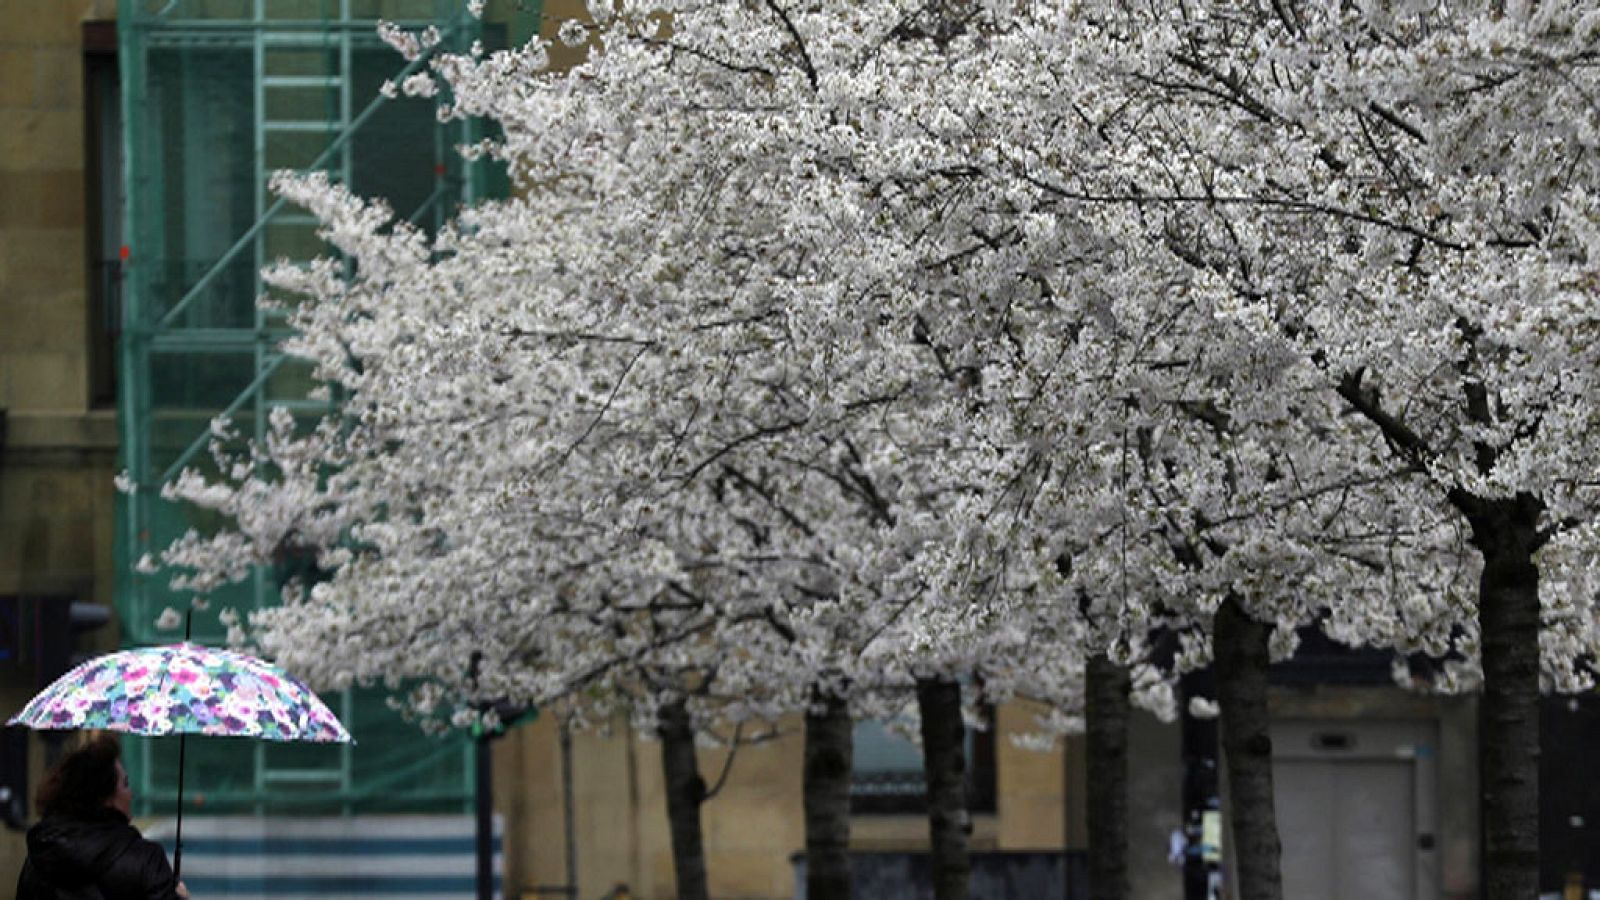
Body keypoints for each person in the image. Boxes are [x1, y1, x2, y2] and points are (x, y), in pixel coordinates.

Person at [15, 734, 189, 900]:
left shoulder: (42, 855)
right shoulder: (146, 860)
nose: (131, 794)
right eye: (125, 784)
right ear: (105, 797)